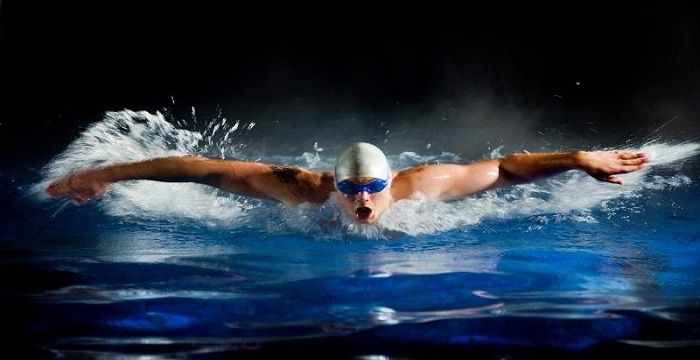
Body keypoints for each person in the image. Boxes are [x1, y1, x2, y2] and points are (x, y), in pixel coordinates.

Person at [46, 142, 649, 224]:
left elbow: (506, 167)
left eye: (373, 188)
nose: (363, 201)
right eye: (350, 190)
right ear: (330, 185)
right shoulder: (300, 189)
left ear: (390, 181)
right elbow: (199, 168)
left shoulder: (419, 189)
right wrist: (106, 174)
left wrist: (577, 158)